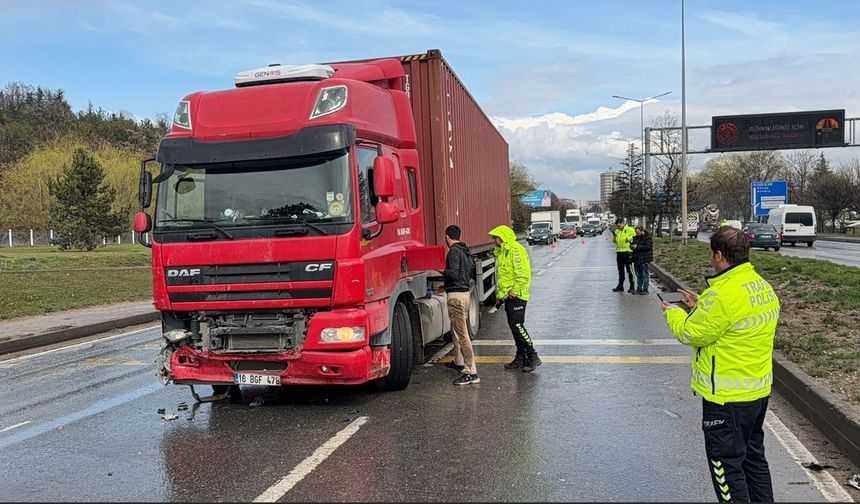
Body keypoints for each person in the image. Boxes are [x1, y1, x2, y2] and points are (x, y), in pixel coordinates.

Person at [661, 227, 779, 503]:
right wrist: (699, 306)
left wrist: (673, 313)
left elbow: (692, 333)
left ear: (718, 255)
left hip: (725, 399)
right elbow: (734, 321)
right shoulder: (760, 286)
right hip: (757, 393)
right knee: (753, 460)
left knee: (726, 468)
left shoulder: (722, 295)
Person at [488, 225, 541, 372]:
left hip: (517, 296)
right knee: (513, 327)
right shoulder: (503, 252)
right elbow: (505, 276)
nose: (494, 241)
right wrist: (501, 296)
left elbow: (523, 274)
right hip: (508, 296)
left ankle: (533, 356)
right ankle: (520, 357)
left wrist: (515, 290)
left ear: (503, 237)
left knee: (518, 326)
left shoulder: (515, 250)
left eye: (496, 237)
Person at [442, 225, 479, 386]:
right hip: (463, 293)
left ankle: (471, 372)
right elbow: (464, 274)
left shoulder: (453, 253)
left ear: (447, 237)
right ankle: (459, 362)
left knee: (462, 335)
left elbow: (453, 273)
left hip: (456, 298)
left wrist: (441, 270)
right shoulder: (465, 252)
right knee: (457, 333)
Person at [612, 218, 636, 293]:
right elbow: (615, 241)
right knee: (620, 270)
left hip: (627, 252)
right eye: (617, 226)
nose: (618, 227)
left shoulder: (630, 229)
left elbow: (634, 238)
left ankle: (632, 286)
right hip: (619, 252)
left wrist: (628, 238)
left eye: (619, 225)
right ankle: (620, 286)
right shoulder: (617, 231)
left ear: (623, 223)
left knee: (630, 270)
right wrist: (614, 239)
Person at [631, 226, 652, 295]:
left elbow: (648, 247)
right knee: (638, 275)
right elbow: (632, 245)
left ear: (642, 231)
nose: (637, 234)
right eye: (636, 233)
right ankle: (639, 289)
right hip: (637, 259)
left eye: (638, 233)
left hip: (644, 259)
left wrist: (637, 247)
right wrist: (631, 246)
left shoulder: (647, 238)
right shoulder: (635, 238)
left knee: (645, 275)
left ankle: (645, 290)